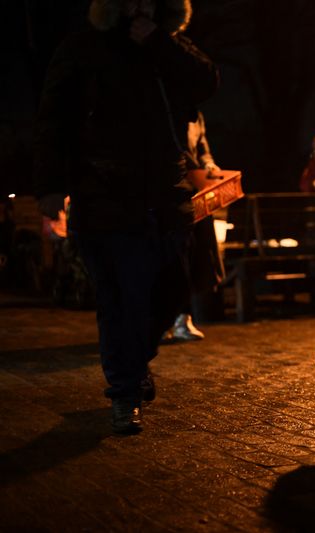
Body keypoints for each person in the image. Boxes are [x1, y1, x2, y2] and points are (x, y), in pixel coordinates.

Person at [34, 0, 218, 434]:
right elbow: (53, 120)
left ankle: (133, 368)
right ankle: (125, 392)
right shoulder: (83, 49)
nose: (139, 6)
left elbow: (205, 82)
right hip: (102, 195)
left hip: (165, 197)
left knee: (174, 288)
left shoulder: (169, 46)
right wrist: (50, 187)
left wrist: (158, 43)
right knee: (120, 300)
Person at [163, 111, 224, 341]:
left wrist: (209, 165)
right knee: (167, 255)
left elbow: (202, 150)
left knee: (191, 253)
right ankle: (163, 320)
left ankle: (182, 317)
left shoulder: (196, 114)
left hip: (192, 190)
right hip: (165, 190)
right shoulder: (162, 101)